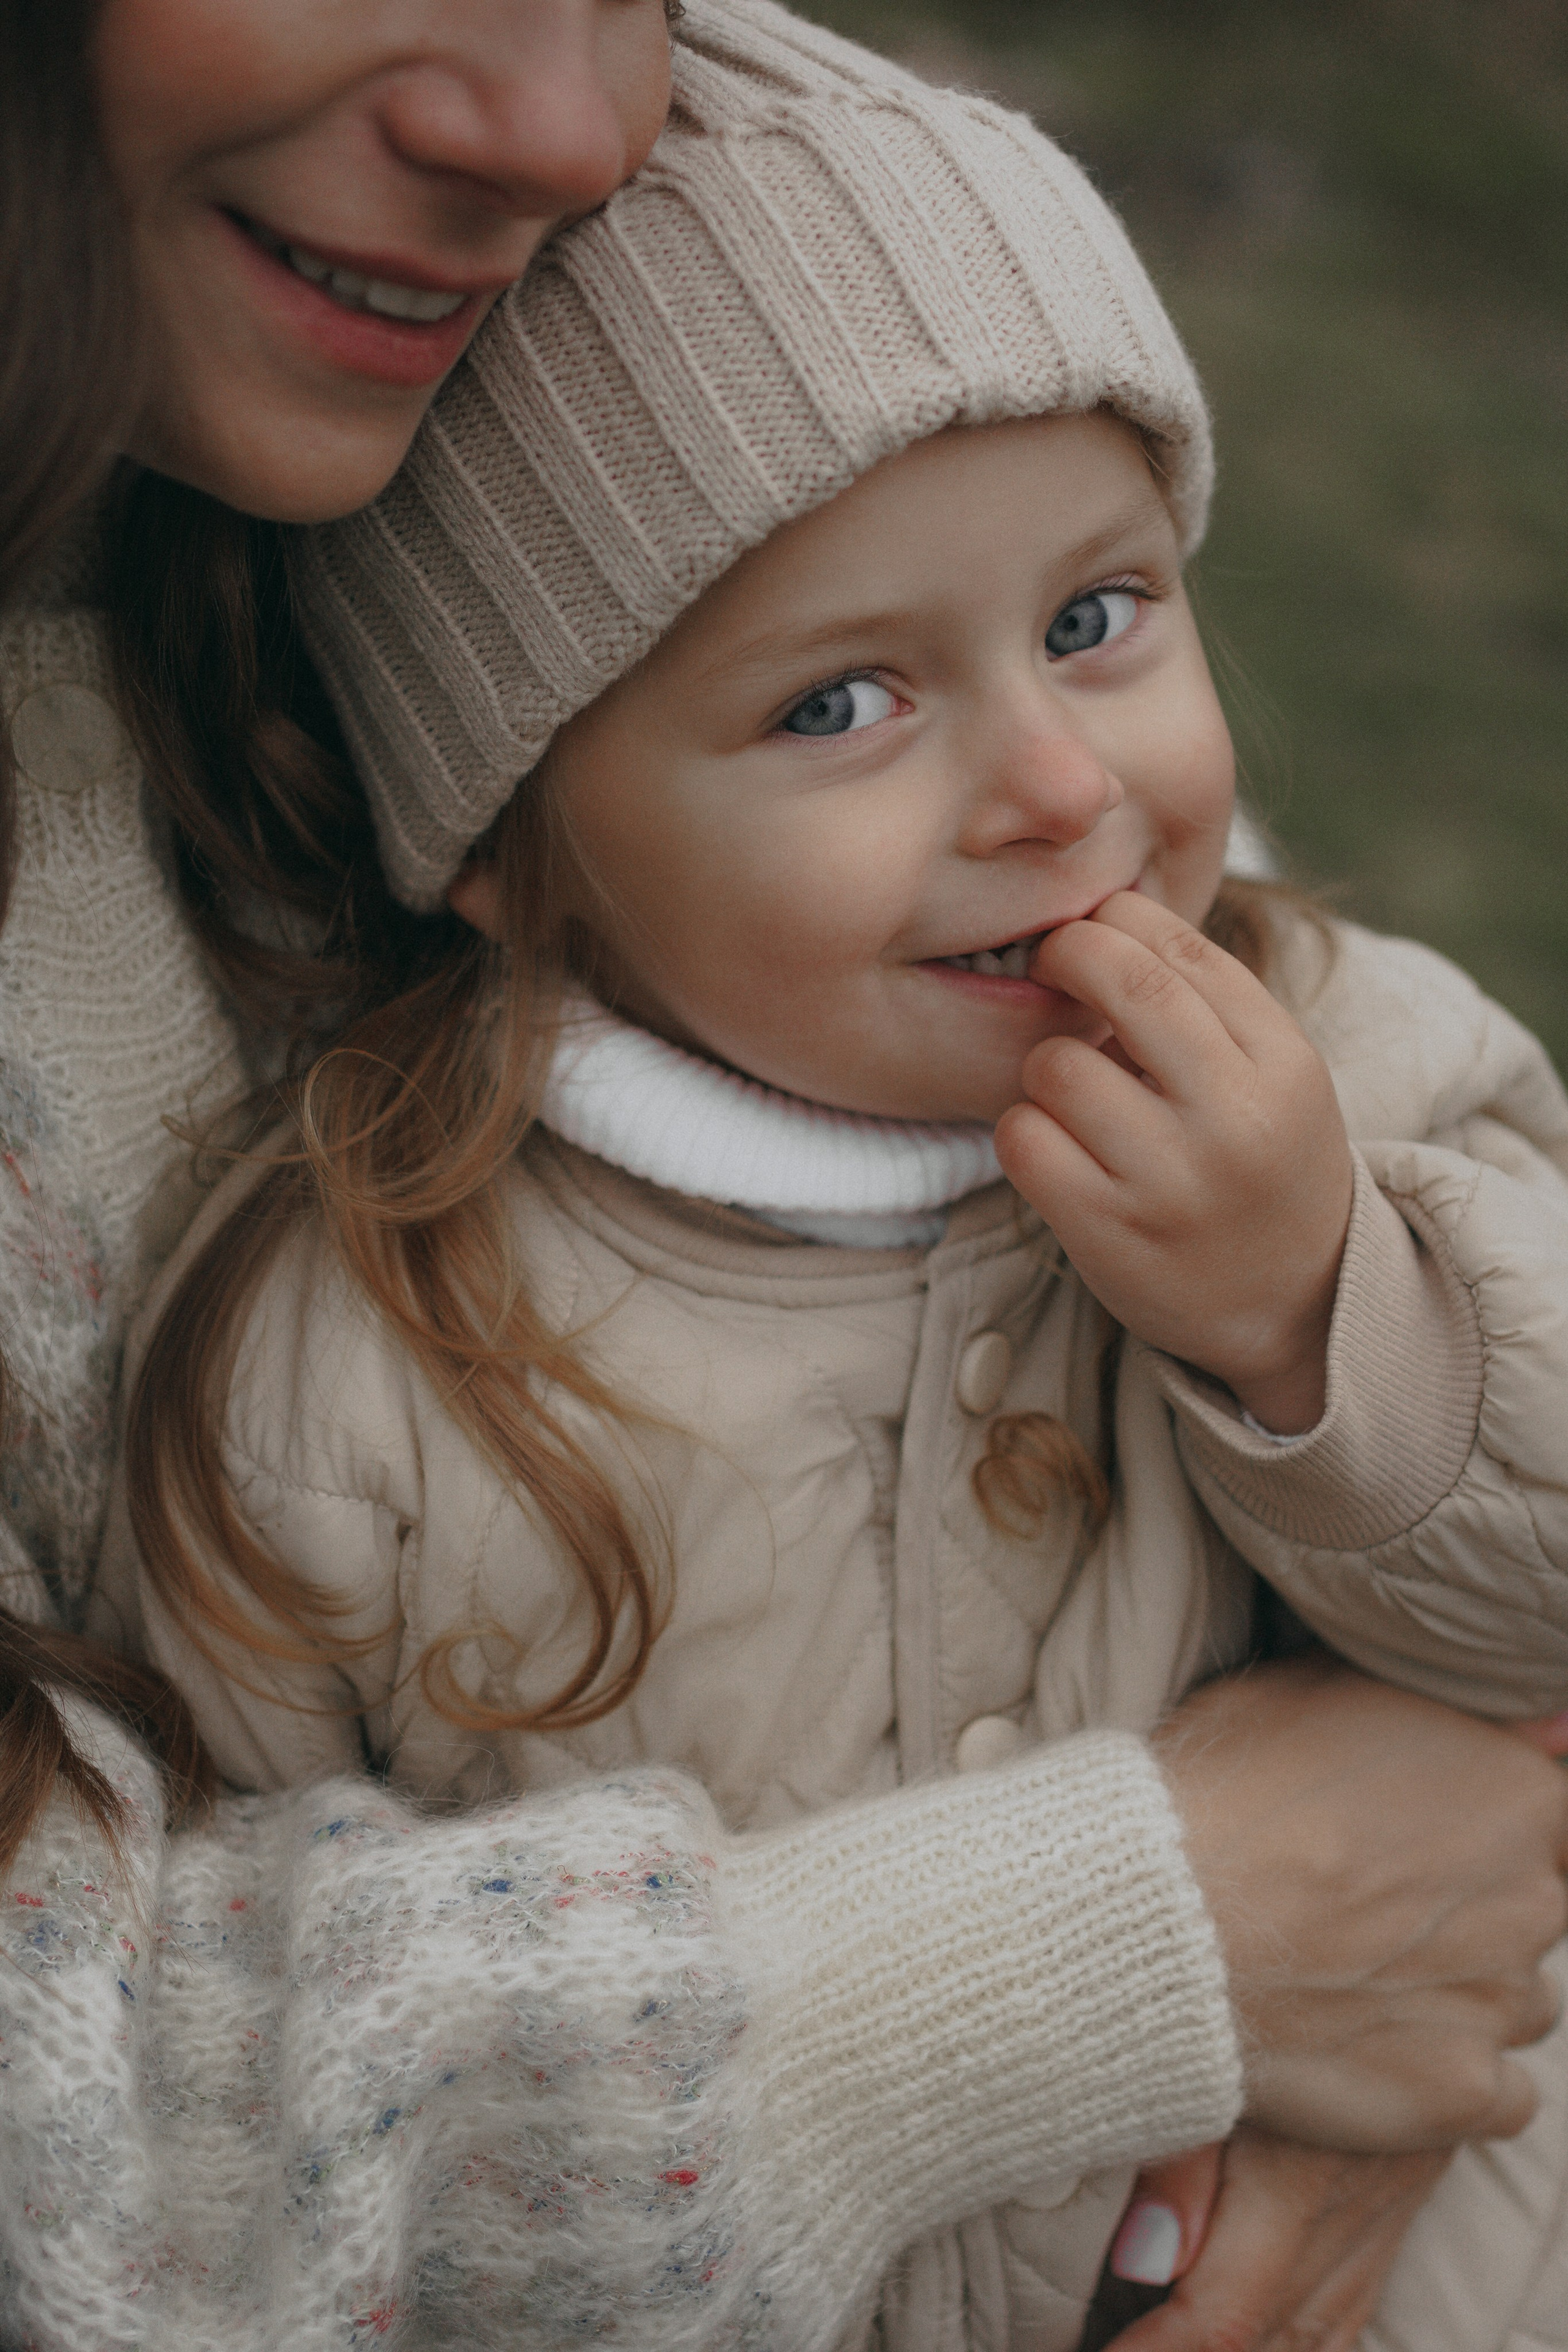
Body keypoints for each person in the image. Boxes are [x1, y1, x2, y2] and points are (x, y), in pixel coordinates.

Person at [1, 0, 1564, 2345]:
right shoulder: (336, 1381)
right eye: (839, 704)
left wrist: (1329, 1313)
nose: (1059, 789)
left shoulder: (1345, 1058)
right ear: (515, 859)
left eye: (1101, 616)